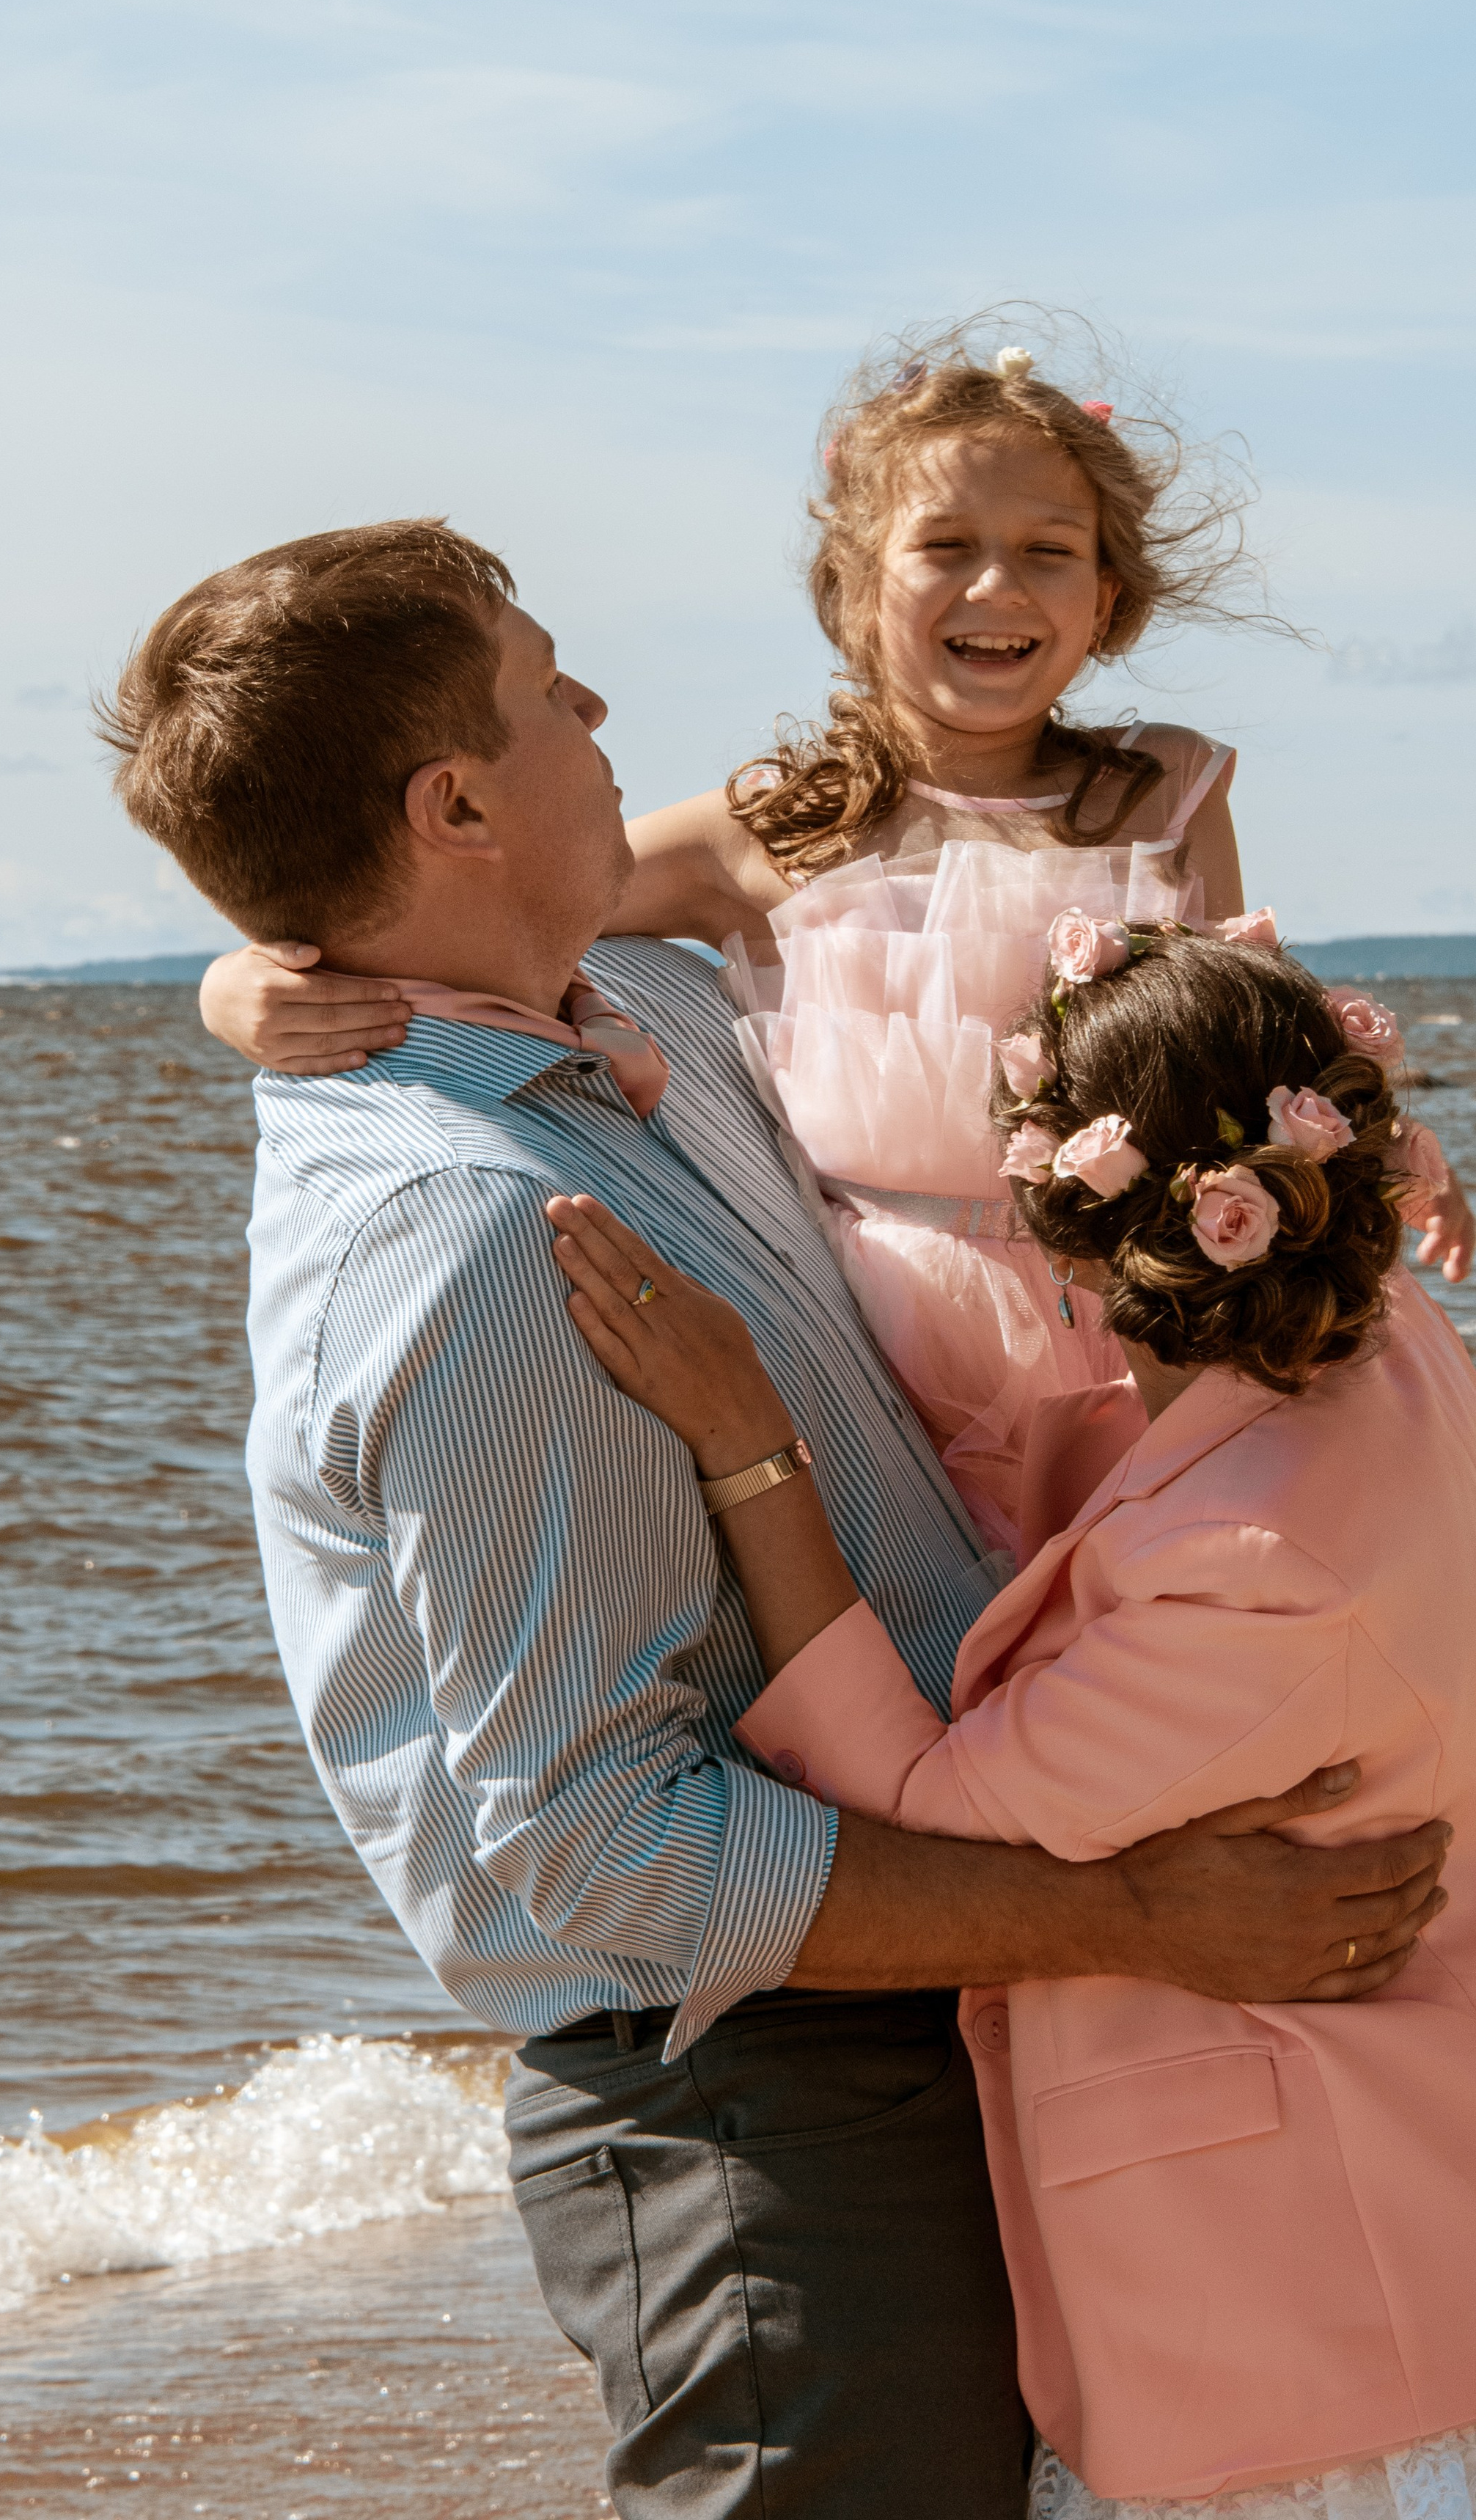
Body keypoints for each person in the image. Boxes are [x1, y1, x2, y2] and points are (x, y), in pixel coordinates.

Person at [97, 520, 1447, 2520]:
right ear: (456, 802)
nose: (601, 716)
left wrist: (248, 974)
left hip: (927, 1993)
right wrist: (1132, 1914)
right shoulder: (467, 1236)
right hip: (741, 2102)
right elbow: (606, 1855)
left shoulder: (633, 1015)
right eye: (551, 686)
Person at [198, 329, 1472, 1556]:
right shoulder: (775, 832)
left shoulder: (1167, 792)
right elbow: (480, 891)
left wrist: (1377, 1145)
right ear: (854, 588)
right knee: (973, 1655)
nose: (998, 587)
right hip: (891, 1336)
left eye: (1049, 551)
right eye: (946, 547)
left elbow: (1252, 1030)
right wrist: (243, 977)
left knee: (1193, 1603)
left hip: (1160, 1293)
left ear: (1109, 598)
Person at [544, 925, 1476, 2516]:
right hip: (1361, 2235)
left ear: (1064, 1217)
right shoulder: (1395, 1356)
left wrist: (750, 1443)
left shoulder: (1248, 1575)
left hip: (1278, 2320)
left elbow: (909, 1797)